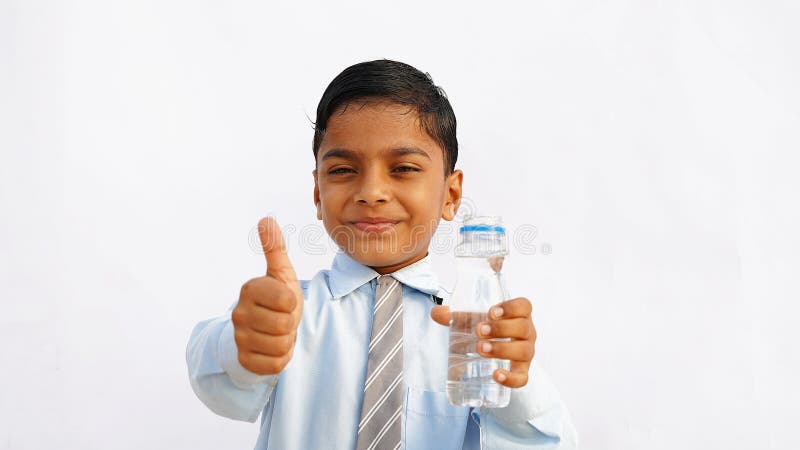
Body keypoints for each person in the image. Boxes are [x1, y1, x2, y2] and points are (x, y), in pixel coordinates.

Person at [185, 59, 578, 449]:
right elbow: (214, 379)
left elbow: (550, 442)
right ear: (318, 194)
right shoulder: (286, 313)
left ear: (451, 195)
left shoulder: (472, 335)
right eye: (342, 170)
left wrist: (515, 383)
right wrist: (242, 346)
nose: (371, 191)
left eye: (404, 168)